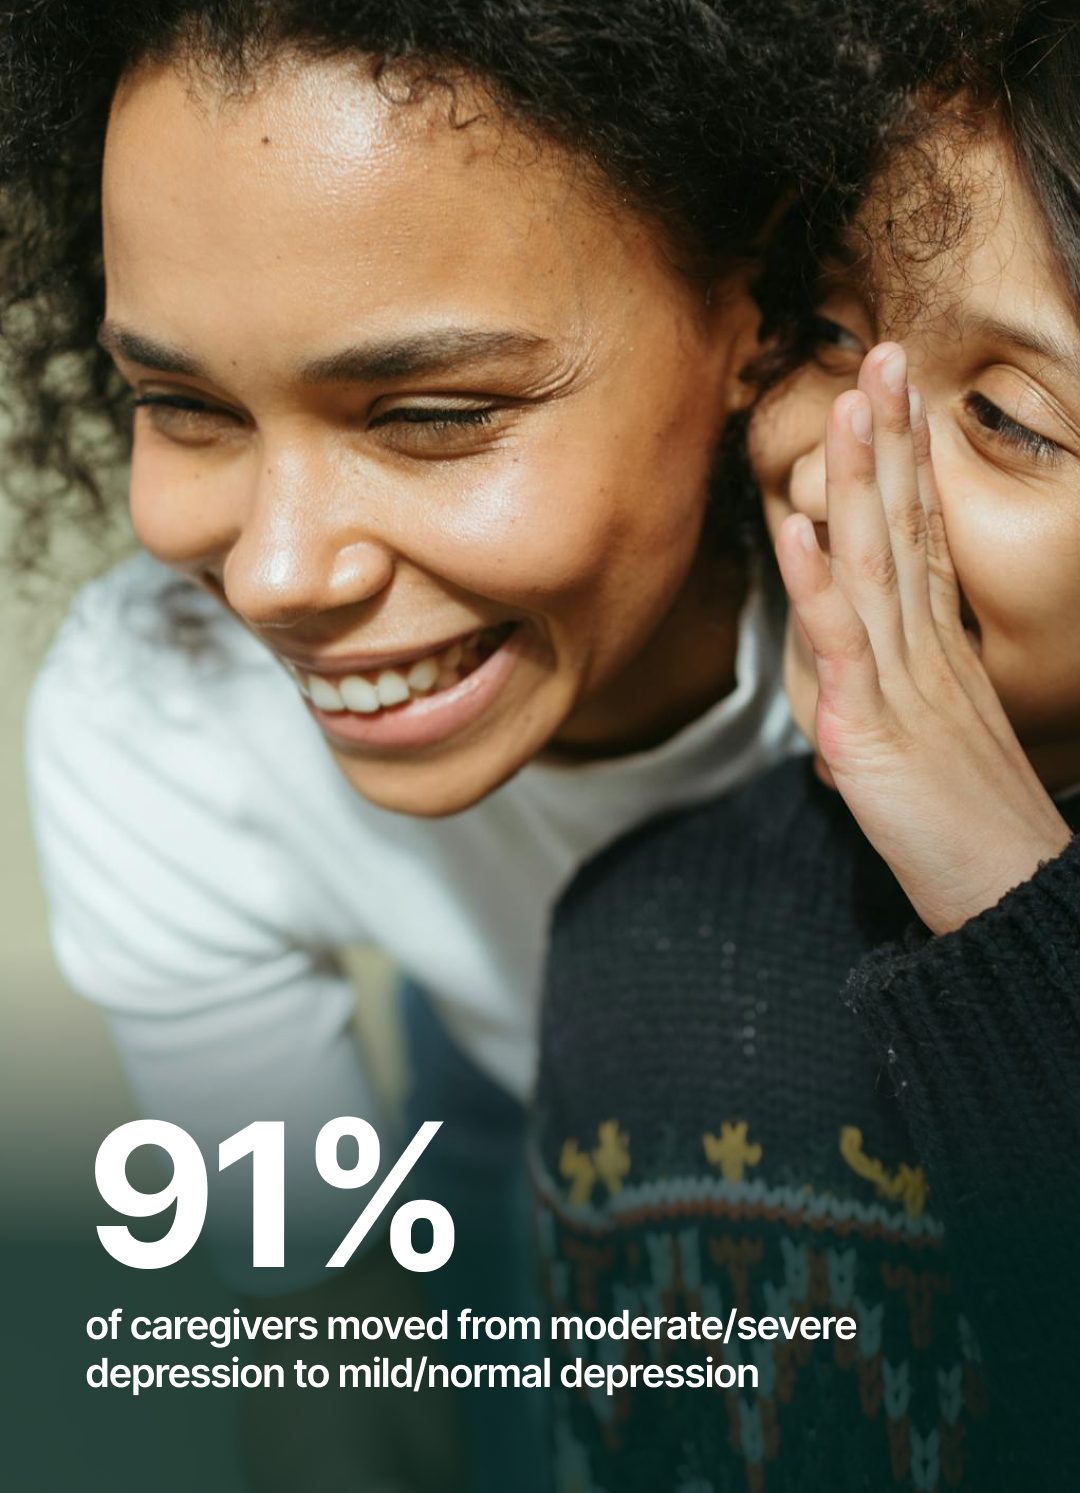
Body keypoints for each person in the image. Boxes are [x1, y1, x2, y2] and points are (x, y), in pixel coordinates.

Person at [2, 2, 997, 1488]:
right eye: (186, 406)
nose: (276, 575)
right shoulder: (161, 722)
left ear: (757, 310)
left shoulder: (976, 641)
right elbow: (326, 1324)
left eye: (432, 414)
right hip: (493, 1099)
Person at [531, 2, 1080, 1489]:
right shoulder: (640, 947)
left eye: (1015, 419)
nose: (847, 457)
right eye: (834, 332)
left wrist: (1008, 890)